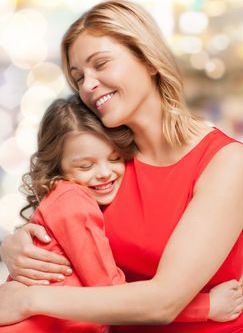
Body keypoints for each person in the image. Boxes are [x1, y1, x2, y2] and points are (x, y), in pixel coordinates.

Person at [0, 0, 242, 333]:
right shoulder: (105, 165)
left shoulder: (226, 163)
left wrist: (29, 299)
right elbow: (64, 231)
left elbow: (164, 302)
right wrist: (16, 247)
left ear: (149, 60)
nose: (87, 84)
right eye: (78, 76)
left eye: (100, 64)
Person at [0, 96, 235, 333]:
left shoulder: (72, 198)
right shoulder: (74, 203)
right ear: (57, 166)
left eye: (114, 158)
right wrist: (208, 306)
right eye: (85, 166)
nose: (104, 173)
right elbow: (111, 291)